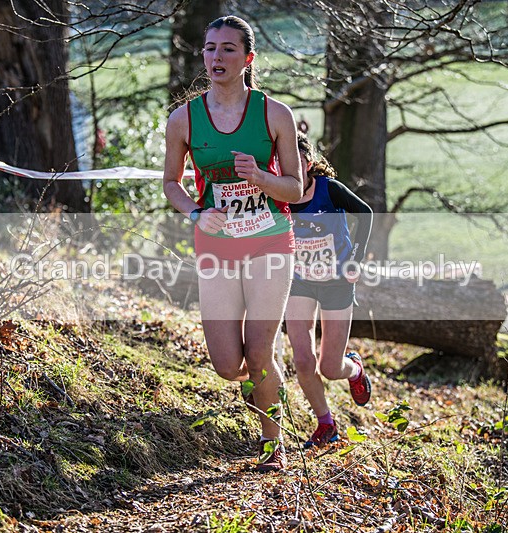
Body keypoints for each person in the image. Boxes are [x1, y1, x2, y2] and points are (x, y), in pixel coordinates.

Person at [162, 15, 302, 472]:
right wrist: (198, 213)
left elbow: (295, 189)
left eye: (227, 49)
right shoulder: (183, 119)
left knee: (260, 350)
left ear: (248, 58)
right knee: (227, 364)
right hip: (217, 244)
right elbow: (171, 184)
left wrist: (261, 177)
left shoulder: (274, 114)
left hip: (269, 241)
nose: (216, 57)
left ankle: (272, 443)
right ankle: (260, 386)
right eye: (209, 48)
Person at [284, 132, 374, 448]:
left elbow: (366, 214)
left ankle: (354, 369)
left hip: (337, 282)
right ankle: (326, 424)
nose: (286, 168)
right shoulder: (278, 195)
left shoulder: (329, 190)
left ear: (308, 164)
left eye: (293, 161)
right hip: (300, 282)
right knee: (304, 361)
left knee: (330, 367)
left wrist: (355, 259)